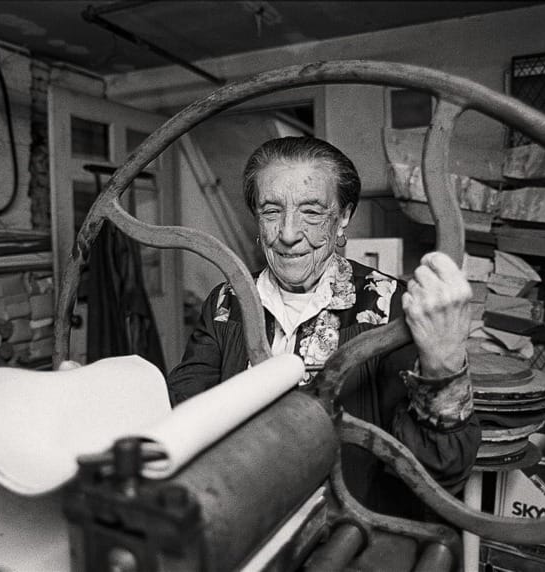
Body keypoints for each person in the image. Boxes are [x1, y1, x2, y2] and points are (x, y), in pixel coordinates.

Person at [167, 136, 480, 518]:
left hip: (345, 530)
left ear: (344, 216)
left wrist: (444, 365)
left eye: (311, 212)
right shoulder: (226, 301)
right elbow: (182, 414)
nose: (288, 233)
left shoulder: (387, 306)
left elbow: (440, 471)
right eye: (271, 211)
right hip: (243, 517)